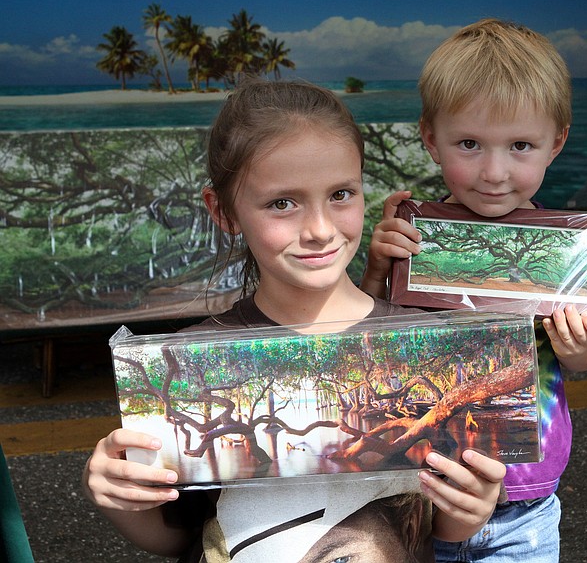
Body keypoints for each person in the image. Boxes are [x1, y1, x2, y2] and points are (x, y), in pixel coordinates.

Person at [82, 79, 506, 562]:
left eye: (342, 194)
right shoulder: (189, 364)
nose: (321, 229)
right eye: (283, 203)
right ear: (223, 210)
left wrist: (469, 511)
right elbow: (179, 536)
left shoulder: (431, 346)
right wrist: (115, 494)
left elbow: (435, 530)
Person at [359, 19, 587, 562]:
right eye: (469, 144)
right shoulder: (416, 237)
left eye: (521, 145)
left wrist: (582, 348)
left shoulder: (569, 254)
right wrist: (378, 269)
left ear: (557, 142)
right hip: (424, 495)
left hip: (525, 506)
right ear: (430, 138)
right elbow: (366, 334)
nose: (495, 172)